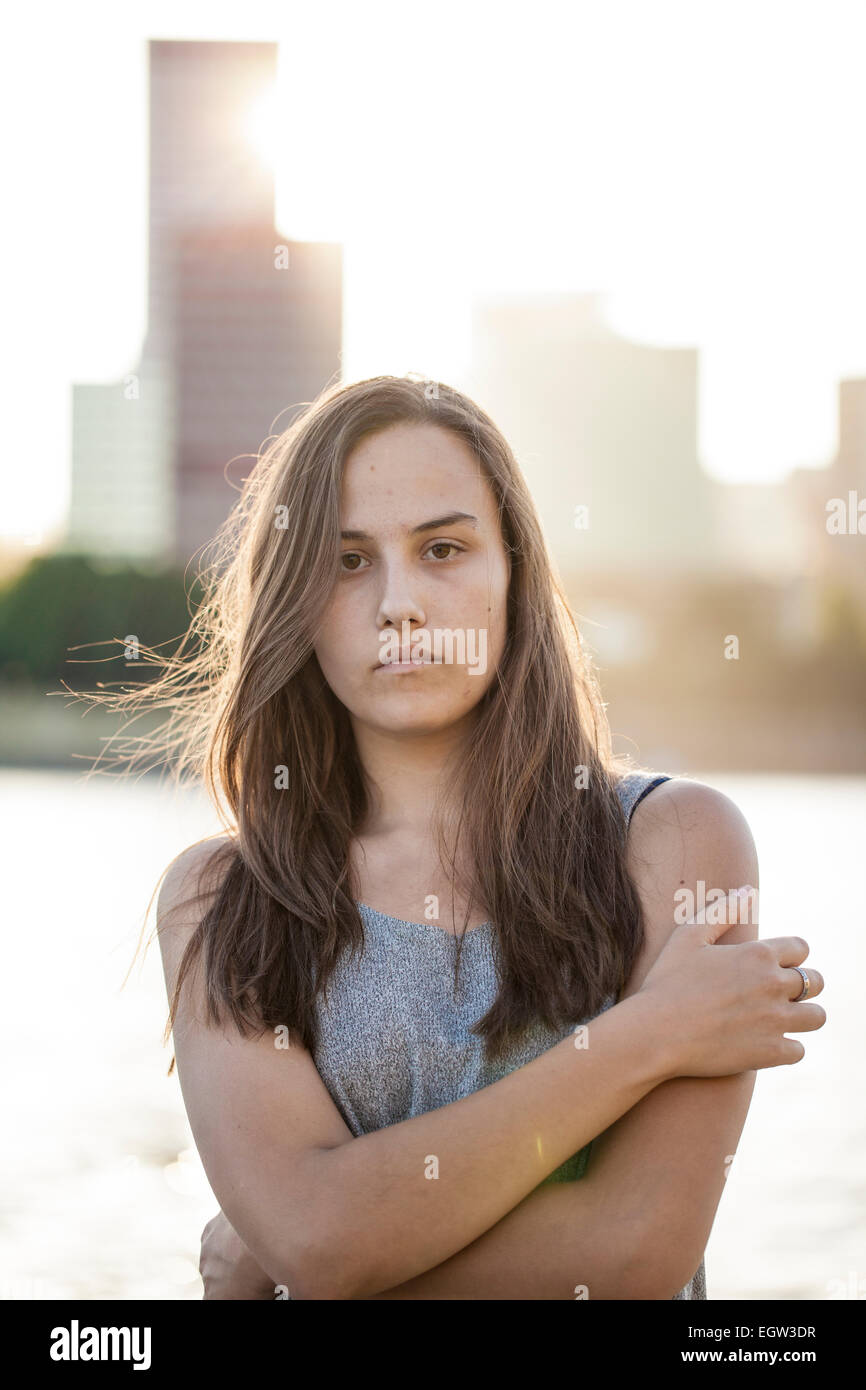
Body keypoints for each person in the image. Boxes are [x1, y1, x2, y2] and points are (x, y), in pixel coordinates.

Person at [149, 375, 825, 1300]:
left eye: (443, 548)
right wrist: (649, 1036)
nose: (400, 604)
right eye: (348, 561)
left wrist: (308, 1265)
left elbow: (632, 1257)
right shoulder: (223, 900)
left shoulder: (675, 843)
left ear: (515, 571)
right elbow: (315, 1237)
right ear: (293, 599)